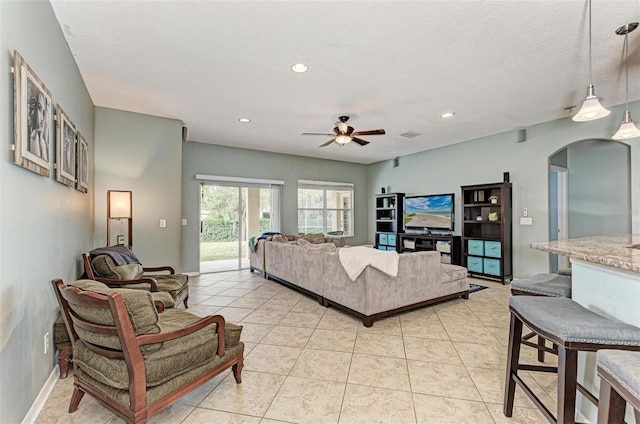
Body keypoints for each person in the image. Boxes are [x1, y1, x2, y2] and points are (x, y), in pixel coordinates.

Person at [27, 82, 49, 161]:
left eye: (44, 112)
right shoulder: (29, 138)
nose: (43, 118)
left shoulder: (42, 142)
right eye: (39, 108)